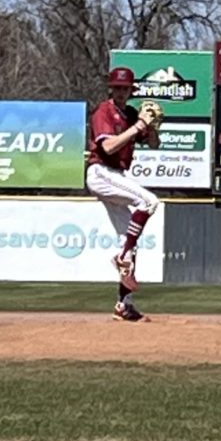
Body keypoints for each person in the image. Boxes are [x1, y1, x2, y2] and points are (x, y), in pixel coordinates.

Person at [85, 65, 162, 323]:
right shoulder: (103, 111)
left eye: (125, 88)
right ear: (111, 88)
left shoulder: (129, 113)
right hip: (101, 172)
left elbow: (153, 144)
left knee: (129, 243)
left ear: (131, 90)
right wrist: (137, 126)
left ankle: (123, 305)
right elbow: (107, 146)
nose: (120, 92)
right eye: (117, 87)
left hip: (116, 175)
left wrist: (152, 127)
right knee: (149, 201)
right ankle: (120, 257)